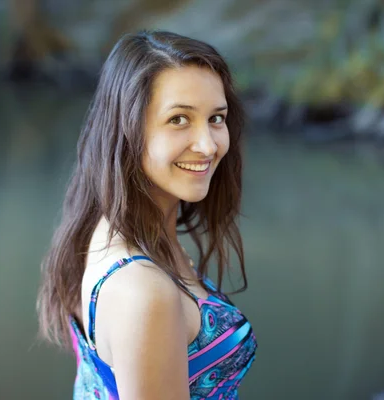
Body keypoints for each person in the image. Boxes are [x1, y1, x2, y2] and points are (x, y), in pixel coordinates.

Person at [37, 30, 257, 400]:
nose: (208, 145)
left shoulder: (103, 225)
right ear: (127, 130)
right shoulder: (143, 291)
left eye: (216, 118)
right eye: (178, 120)